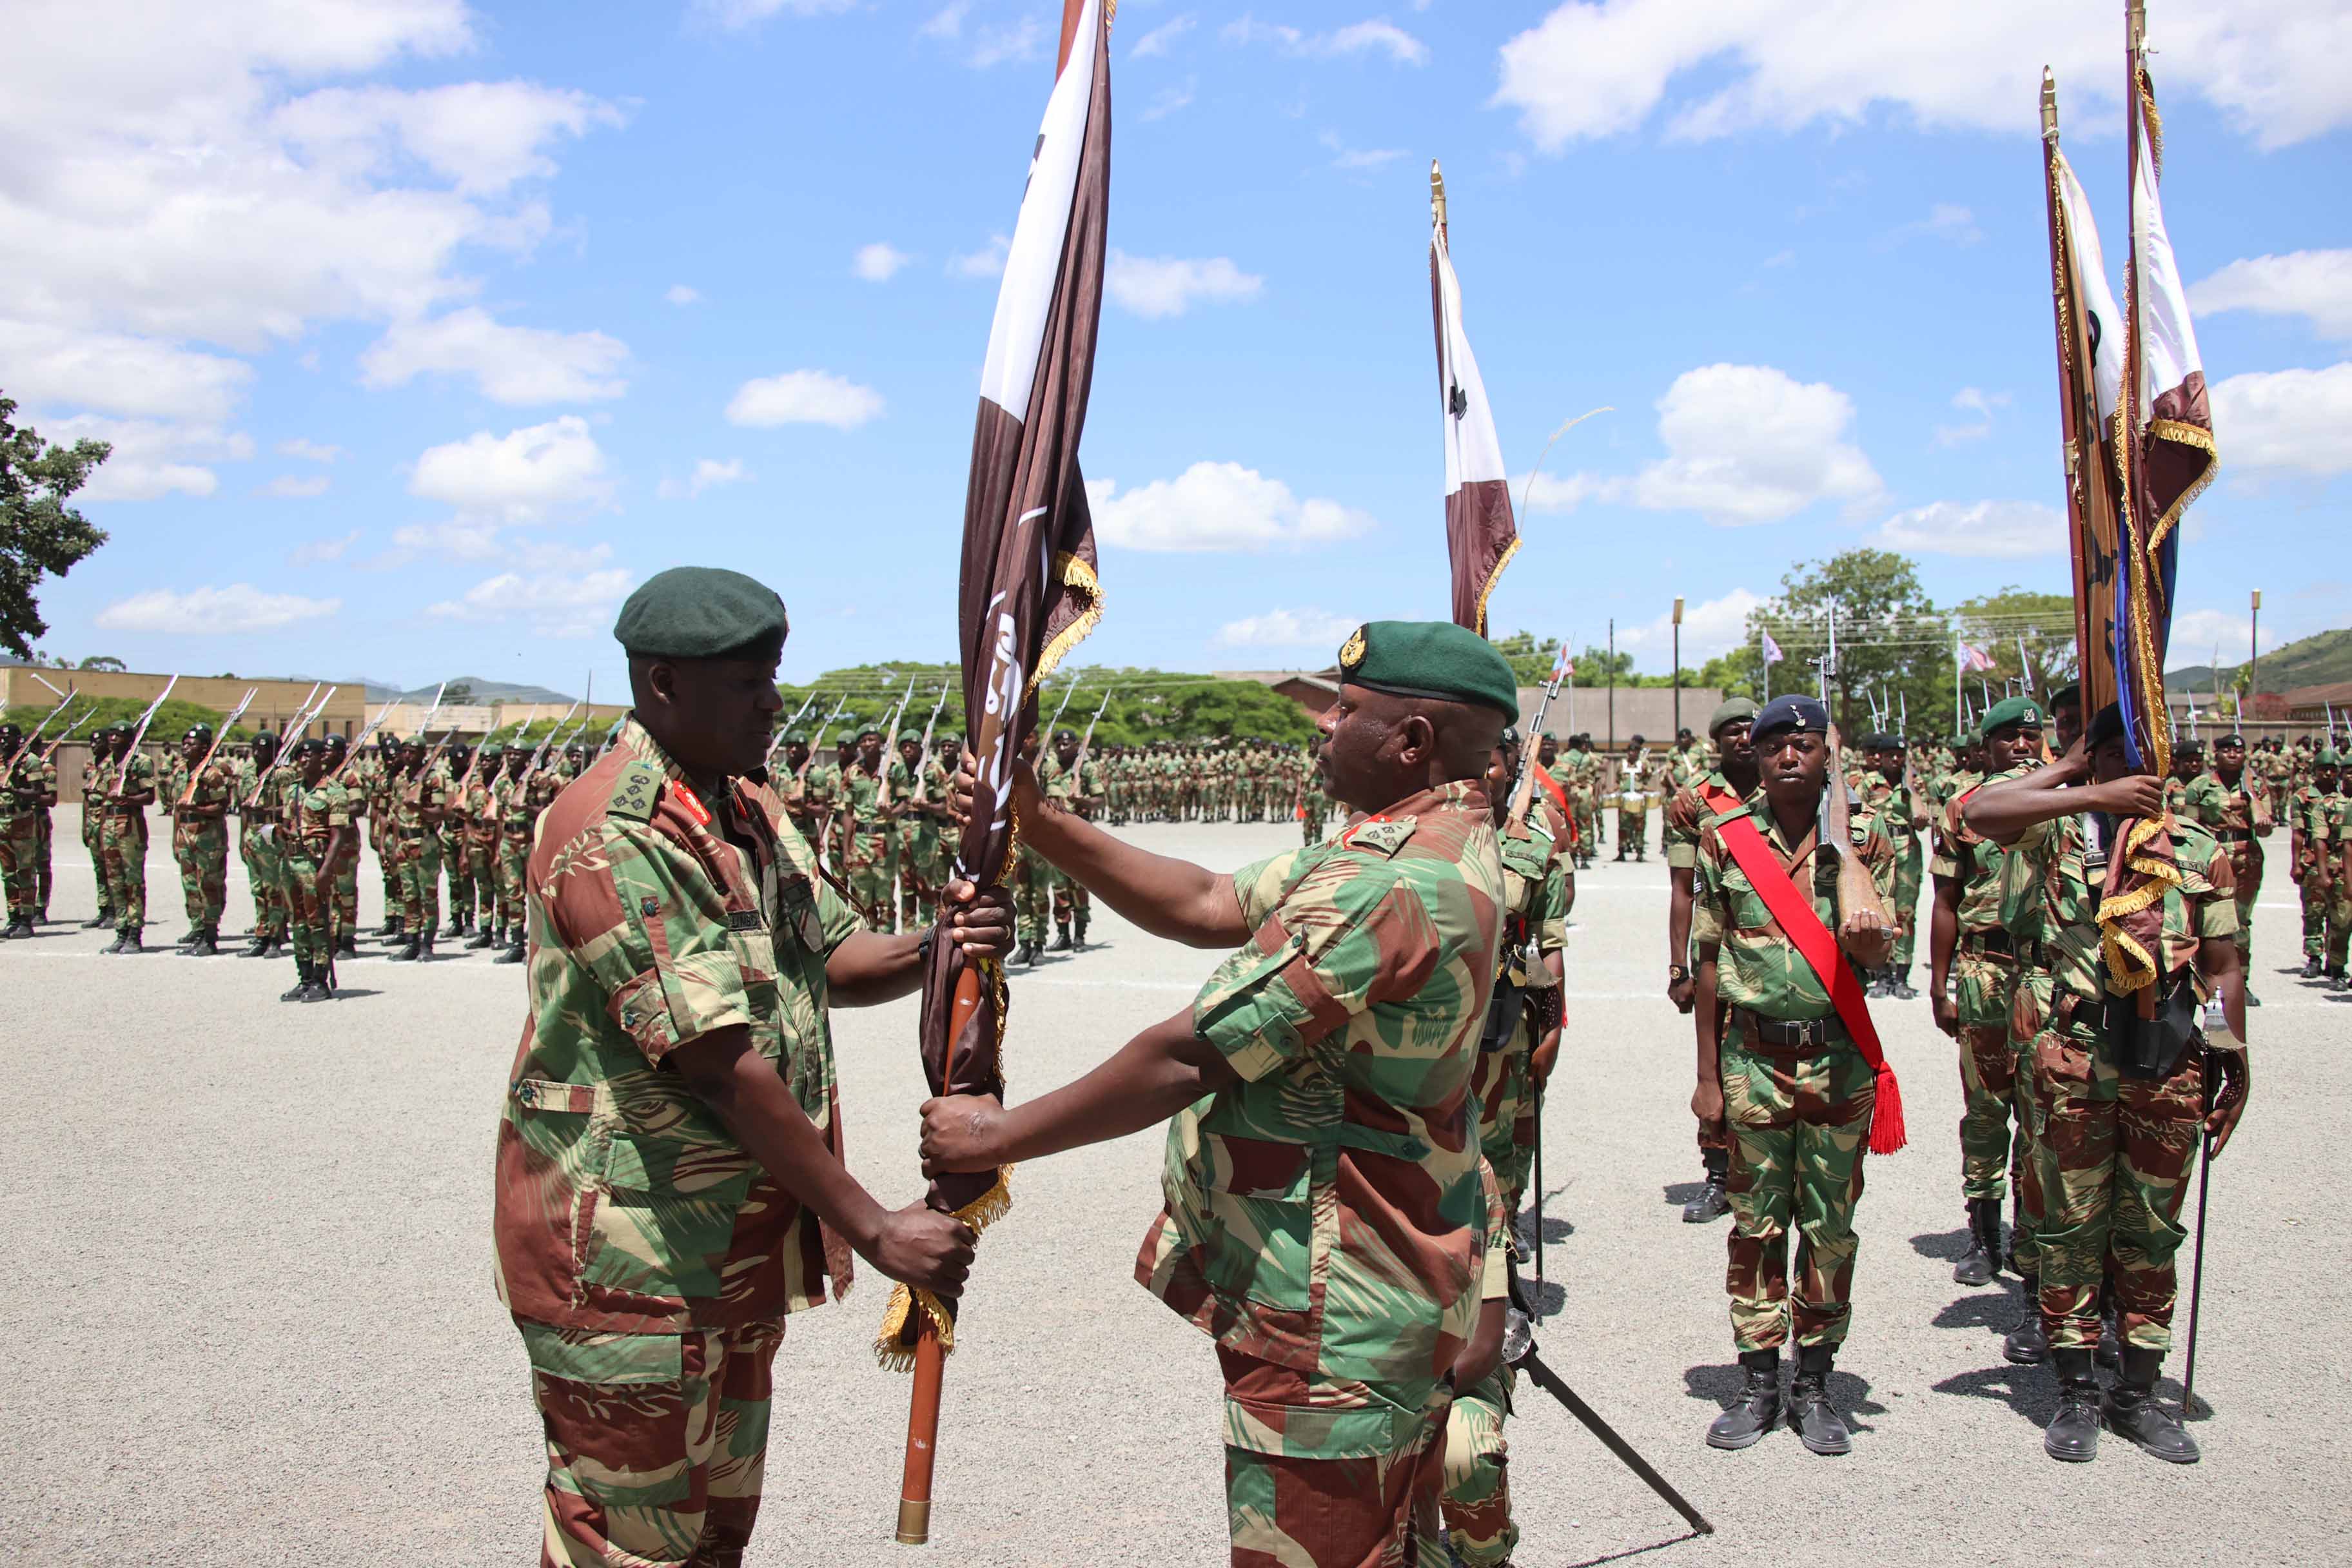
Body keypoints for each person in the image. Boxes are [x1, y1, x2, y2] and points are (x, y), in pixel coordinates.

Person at [919, 620, 1518, 1567]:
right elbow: (1207, 901)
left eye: (1345, 711)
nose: (1322, 728)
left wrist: (997, 1135)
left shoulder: (1391, 884)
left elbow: (1192, 1055)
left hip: (1339, 1308)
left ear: (1411, 742)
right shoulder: (1418, 842)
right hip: (1363, 1287)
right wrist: (1039, 820)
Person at [493, 567, 1000, 1568]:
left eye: (773, 675)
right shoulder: (616, 830)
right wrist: (874, 1224)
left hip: (721, 1256)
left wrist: (942, 943)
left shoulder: (742, 806)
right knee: (631, 1545)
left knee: (713, 1537)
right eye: (750, 683)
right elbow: (717, 1064)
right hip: (630, 1268)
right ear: (665, 685)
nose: (774, 702)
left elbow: (835, 956)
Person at [1965, 704, 2249, 1463]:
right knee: (2071, 1227)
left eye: (2141, 749)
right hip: (2078, 1053)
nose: (2131, 762)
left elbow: (2222, 964)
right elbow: (1978, 809)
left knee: (2151, 1230)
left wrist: (2233, 1055)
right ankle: (2077, 1389)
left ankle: (2137, 1390)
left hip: (2170, 1057)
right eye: (2112, 749)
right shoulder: (2056, 829)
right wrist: (2076, 780)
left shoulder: (2194, 845)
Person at [1690, 695, 1896, 1456]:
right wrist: (1707, 1077)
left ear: (1825, 754)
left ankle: (1814, 1381)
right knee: (1754, 1225)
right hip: (1752, 1060)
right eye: (1774, 743)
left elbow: (1882, 954)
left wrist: (1859, 903)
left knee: (1830, 1228)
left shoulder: (1867, 834)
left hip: (1838, 1059)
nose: (1787, 756)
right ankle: (1757, 1380)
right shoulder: (1727, 837)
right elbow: (1708, 961)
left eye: (1804, 744)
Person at [1442, 721, 1570, 1568]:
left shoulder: (1531, 844)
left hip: (1499, 1044)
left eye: (1498, 757)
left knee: (1497, 1185)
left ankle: (1495, 1303)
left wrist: (1551, 1030)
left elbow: (1544, 942)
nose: (1486, 770)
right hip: (1436, 1052)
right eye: (1474, 757)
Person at [1925, 696, 2046, 1317]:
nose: (2023, 747)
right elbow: (1945, 899)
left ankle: (2035, 1241)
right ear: (1987, 748)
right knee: (1986, 1110)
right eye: (2009, 739)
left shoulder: (2066, 805)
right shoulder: (1965, 809)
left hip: (2047, 973)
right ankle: (1983, 1230)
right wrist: (1939, 983)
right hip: (1983, 970)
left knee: (2043, 1113)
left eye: (2032, 736)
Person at [1663, 698, 1758, 1224]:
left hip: (1774, 944)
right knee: (1716, 1058)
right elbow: (1681, 890)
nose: (1744, 740)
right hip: (1714, 948)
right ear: (1715, 741)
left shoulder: (1789, 791)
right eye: (1733, 732)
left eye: (1752, 730)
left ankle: (1765, 1167)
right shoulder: (1693, 802)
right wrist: (1677, 967)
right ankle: (1718, 1174)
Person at [2182, 732, 2272, 1006]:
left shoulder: (2256, 785)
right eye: (2227, 751)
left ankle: (2240, 982)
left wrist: (2252, 794)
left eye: (2239, 751)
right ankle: (2200, 979)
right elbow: (2190, 830)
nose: (2233, 755)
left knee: (2240, 921)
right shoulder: (2199, 786)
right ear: (2216, 754)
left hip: (2247, 858)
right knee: (2203, 920)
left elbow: (2265, 827)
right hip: (2213, 857)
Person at [278, 738, 353, 1001]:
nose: (304, 759)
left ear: (323, 757)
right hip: (292, 862)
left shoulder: (334, 791)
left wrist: (326, 870)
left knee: (318, 921)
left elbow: (338, 836)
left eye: (310, 754)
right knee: (298, 921)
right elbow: (288, 824)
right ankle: (305, 977)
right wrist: (281, 832)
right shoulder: (294, 791)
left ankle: (321, 980)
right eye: (300, 755)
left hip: (315, 863)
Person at [1855, 734, 1929, 999]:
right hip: (1879, 851)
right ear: (1882, 757)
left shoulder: (1915, 785)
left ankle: (1902, 976)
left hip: (1908, 851)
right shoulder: (1868, 783)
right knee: (1878, 911)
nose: (1895, 760)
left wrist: (1911, 789)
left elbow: (1923, 819)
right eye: (1890, 756)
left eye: (1900, 756)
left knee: (1905, 914)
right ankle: (1882, 974)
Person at [1035, 725, 1107, 952]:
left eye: (1068, 743)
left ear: (1077, 746)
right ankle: (1063, 934)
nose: (1063, 747)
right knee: (1059, 888)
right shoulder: (1049, 768)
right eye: (1059, 743)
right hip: (1055, 837)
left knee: (1079, 886)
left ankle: (1080, 936)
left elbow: (1100, 800)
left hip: (1079, 836)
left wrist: (1082, 802)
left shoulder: (1086, 768)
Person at [166, 725, 233, 956]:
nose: (185, 748)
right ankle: (197, 929)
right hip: (185, 834)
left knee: (209, 885)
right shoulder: (180, 772)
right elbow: (177, 808)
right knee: (191, 886)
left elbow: (222, 806)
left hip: (207, 837)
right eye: (183, 744)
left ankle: (210, 935)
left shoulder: (212, 774)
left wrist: (196, 808)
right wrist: (176, 839)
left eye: (190, 744)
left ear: (205, 748)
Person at [98, 723, 157, 954]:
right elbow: (103, 797)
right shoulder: (107, 763)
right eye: (110, 734)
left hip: (130, 825)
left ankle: (135, 933)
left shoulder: (140, 761)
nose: (112, 738)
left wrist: (127, 799)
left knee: (133, 882)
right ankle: (120, 930)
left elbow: (149, 796)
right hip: (110, 825)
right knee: (115, 881)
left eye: (118, 735)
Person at [2288, 749, 2342, 983]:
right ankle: (2314, 957)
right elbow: (2298, 833)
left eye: (2332, 770)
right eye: (2323, 770)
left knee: (2338, 914)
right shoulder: (2302, 797)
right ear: (2315, 772)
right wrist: (2296, 864)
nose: (2328, 773)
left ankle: (2335, 960)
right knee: (2313, 911)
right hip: (2311, 859)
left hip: (2338, 860)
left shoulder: (2344, 797)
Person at [0, 723, 57, 939]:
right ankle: (13, 917)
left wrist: (13, 788)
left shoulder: (30, 761)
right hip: (2, 820)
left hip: (22, 820)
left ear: (19, 738)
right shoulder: (1, 761)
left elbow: (36, 793)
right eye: (1, 737)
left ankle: (27, 918)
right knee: (8, 874)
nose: (4, 741)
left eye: (8, 737)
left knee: (26, 871)